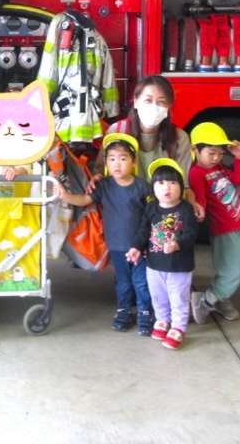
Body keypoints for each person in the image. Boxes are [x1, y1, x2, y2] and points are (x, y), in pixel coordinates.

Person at [60, 133, 153, 335]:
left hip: (140, 246)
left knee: (141, 282)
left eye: (123, 158)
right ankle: (124, 312)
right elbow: (85, 200)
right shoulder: (104, 186)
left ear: (134, 162)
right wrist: (65, 196)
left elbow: (152, 214)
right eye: (112, 159)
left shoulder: (142, 187)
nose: (117, 164)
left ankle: (145, 313)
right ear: (106, 163)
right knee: (123, 282)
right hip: (117, 246)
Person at [127, 158, 197, 350]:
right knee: (158, 296)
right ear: (153, 188)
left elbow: (191, 233)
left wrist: (177, 244)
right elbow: (143, 231)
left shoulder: (185, 209)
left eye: (173, 182)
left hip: (179, 266)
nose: (167, 187)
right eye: (161, 183)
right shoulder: (151, 208)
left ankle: (178, 327)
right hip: (154, 264)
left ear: (181, 187)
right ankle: (162, 320)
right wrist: (135, 247)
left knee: (178, 298)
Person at [188, 122, 240, 324]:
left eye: (220, 153)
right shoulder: (197, 173)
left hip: (238, 224)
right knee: (233, 271)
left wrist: (239, 157)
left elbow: (238, 180)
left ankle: (222, 300)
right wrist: (198, 210)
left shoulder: (218, 168)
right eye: (211, 153)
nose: (216, 157)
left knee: (229, 269)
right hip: (224, 229)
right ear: (196, 150)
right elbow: (201, 201)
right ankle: (207, 300)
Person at [92, 75, 192, 185]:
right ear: (136, 102)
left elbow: (183, 184)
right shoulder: (117, 131)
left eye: (161, 102)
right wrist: (97, 179)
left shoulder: (179, 138)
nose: (154, 107)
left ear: (169, 106)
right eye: (148, 100)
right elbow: (101, 172)